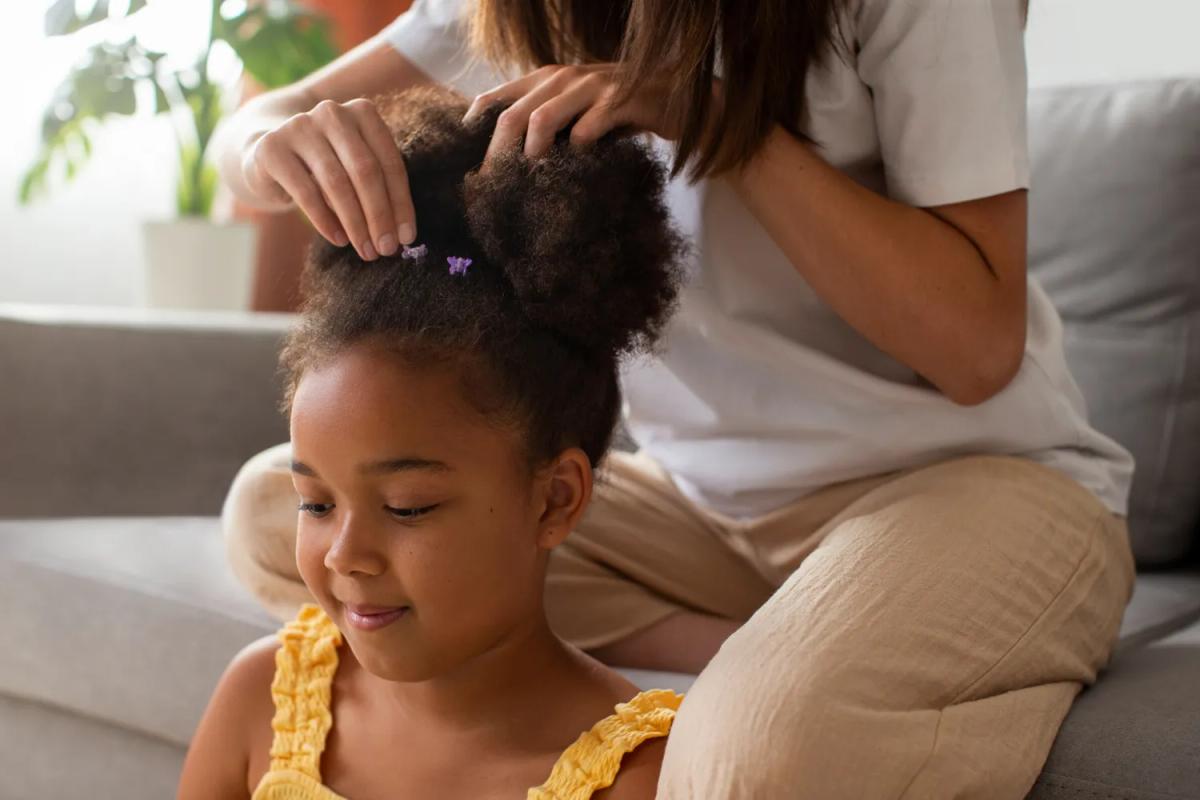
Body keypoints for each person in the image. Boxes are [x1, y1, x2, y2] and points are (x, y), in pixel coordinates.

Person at [213, 0, 1137, 796]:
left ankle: (810, 668)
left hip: (975, 485)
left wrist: (714, 119)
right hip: (707, 513)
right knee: (275, 513)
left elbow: (975, 349)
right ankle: (761, 642)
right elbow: (261, 126)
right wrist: (271, 145)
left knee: (757, 761)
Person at [180, 85, 688, 799]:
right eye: (315, 502)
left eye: (409, 506)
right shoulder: (262, 699)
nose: (345, 556)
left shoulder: (638, 776)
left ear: (555, 499)